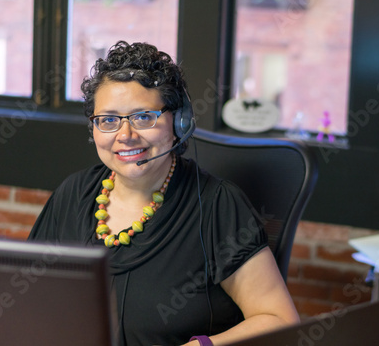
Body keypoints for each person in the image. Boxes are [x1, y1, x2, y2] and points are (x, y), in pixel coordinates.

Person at [28, 41, 299, 345]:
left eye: (144, 117)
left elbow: (279, 321)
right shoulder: (73, 194)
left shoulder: (217, 205)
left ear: (178, 123)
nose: (125, 135)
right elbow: (29, 298)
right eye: (108, 120)